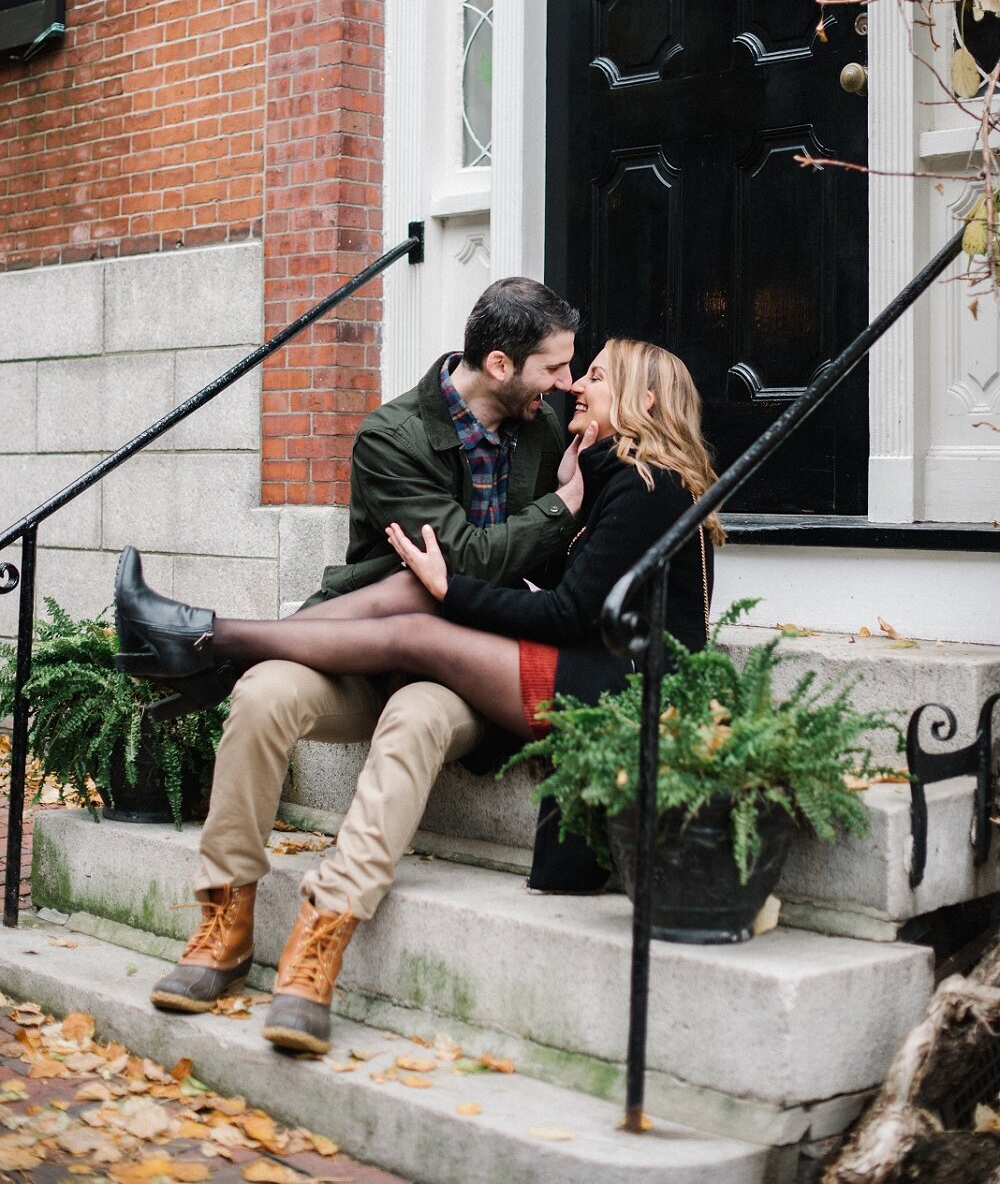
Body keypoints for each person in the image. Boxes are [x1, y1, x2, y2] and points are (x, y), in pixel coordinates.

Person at [115, 338, 724, 1056]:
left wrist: (541, 515)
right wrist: (562, 499)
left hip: (558, 682)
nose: (569, 387)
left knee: (419, 647)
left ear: (644, 401)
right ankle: (223, 911)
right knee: (306, 667)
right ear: (501, 363)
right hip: (480, 656)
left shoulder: (612, 467)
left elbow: (567, 608)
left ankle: (208, 647)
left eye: (588, 375)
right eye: (562, 371)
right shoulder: (402, 437)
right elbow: (537, 584)